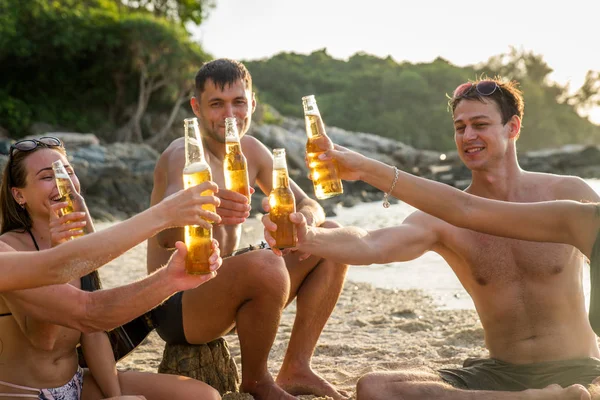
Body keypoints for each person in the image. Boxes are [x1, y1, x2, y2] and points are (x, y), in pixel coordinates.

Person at [263, 78, 600, 400]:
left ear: (512, 128)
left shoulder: (569, 194)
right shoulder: (444, 218)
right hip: (499, 373)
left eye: (480, 125)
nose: (468, 135)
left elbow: (466, 208)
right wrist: (308, 236)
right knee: (375, 389)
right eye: (459, 127)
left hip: (581, 368)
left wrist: (366, 168)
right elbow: (370, 242)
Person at [147, 58, 349, 400]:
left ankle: (298, 367)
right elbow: (164, 234)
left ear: (252, 104)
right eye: (216, 104)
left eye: (238, 102)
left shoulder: (251, 150)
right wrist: (203, 213)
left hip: (226, 288)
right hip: (177, 300)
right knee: (265, 263)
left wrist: (305, 223)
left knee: (331, 235)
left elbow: (311, 205)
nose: (229, 115)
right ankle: (256, 381)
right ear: (196, 107)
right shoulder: (185, 154)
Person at [0, 136, 223, 399]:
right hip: (26, 394)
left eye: (67, 171)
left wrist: (114, 394)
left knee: (203, 396)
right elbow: (47, 339)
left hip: (76, 384)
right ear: (19, 194)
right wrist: (58, 251)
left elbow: (92, 331)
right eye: (48, 176)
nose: (63, 182)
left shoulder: (81, 242)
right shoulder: (8, 251)